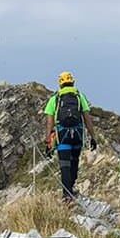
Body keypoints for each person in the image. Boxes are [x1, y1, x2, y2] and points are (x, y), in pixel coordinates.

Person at [43, 71, 98, 204]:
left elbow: (49, 121)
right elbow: (87, 118)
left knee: (64, 165)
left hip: (63, 136)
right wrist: (93, 137)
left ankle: (67, 195)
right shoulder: (79, 96)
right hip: (77, 135)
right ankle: (71, 188)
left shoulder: (55, 99)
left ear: (60, 84)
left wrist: (48, 140)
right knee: (74, 161)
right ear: (72, 82)